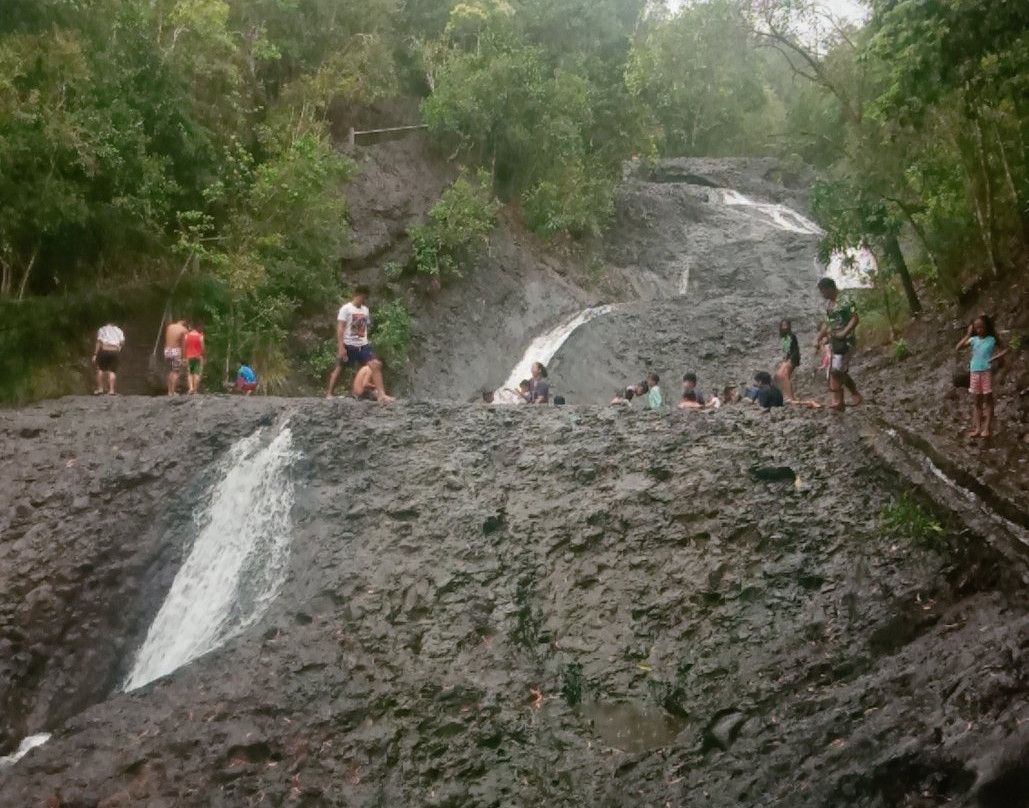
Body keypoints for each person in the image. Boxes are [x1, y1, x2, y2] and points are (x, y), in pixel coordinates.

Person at [325, 286, 394, 401]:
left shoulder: (365, 310)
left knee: (375, 365)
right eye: (364, 298)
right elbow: (340, 327)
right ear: (358, 295)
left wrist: (366, 341)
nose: (365, 300)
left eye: (366, 298)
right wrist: (341, 347)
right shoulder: (346, 309)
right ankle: (329, 393)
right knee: (340, 369)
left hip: (363, 345)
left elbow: (364, 327)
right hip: (349, 345)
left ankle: (381, 394)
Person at [956, 314, 1007, 438]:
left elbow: (1005, 349)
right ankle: (978, 428)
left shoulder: (991, 339)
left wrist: (995, 358)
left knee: (988, 400)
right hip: (974, 372)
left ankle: (986, 429)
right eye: (977, 328)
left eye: (982, 327)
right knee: (977, 401)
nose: (979, 330)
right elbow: (958, 347)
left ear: (987, 327)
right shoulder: (973, 340)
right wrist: (968, 335)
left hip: (986, 372)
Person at [815, 277, 862, 410]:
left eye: (823, 291)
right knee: (837, 371)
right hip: (835, 341)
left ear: (830, 289)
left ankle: (845, 398)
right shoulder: (828, 305)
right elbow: (827, 324)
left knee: (837, 370)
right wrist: (818, 338)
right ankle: (845, 398)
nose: (822, 295)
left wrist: (845, 332)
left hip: (847, 340)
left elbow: (855, 318)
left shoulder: (845, 300)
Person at [92, 322, 125, 396]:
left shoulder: (102, 329)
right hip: (114, 351)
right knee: (112, 371)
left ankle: (100, 389)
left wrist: (95, 354)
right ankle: (111, 390)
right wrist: (119, 347)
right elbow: (122, 342)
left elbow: (99, 342)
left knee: (100, 369)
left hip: (104, 350)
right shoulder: (118, 330)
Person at [775, 318, 801, 402]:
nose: (784, 327)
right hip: (789, 357)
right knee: (780, 375)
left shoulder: (791, 336)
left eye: (786, 325)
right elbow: (786, 351)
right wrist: (784, 360)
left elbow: (794, 350)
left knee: (785, 375)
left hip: (794, 357)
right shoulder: (783, 337)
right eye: (783, 325)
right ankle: (786, 395)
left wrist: (789, 360)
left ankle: (791, 397)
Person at [163, 318, 188, 396]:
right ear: (185, 324)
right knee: (176, 372)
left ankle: (169, 391)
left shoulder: (170, 327)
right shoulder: (184, 330)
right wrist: (184, 358)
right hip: (175, 351)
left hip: (167, 351)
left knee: (170, 371)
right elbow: (184, 345)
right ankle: (173, 392)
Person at [184, 323, 205, 395]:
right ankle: (195, 390)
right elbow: (202, 348)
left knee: (190, 373)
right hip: (197, 357)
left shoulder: (186, 336)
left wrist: (184, 356)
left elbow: (184, 346)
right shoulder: (200, 337)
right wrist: (204, 356)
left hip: (189, 357)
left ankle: (191, 388)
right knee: (197, 373)